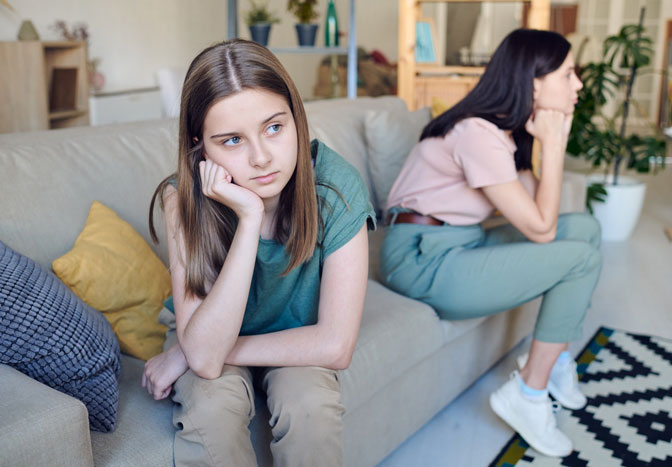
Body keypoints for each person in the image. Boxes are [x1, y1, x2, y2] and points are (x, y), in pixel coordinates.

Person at [141, 39, 375, 467]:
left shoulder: (336, 188)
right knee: (212, 410)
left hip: (290, 337)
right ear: (200, 147)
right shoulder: (183, 199)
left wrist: (185, 352)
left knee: (312, 410)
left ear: (296, 119)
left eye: (274, 127)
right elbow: (208, 360)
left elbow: (336, 344)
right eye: (232, 140)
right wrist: (248, 219)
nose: (262, 158)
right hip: (210, 330)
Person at [379, 29, 601, 458]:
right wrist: (554, 144)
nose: (578, 85)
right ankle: (529, 394)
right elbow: (542, 229)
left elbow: (539, 210)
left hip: (462, 243)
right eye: (569, 74)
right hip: (421, 259)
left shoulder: (500, 131)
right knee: (579, 258)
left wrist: (540, 142)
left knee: (586, 230)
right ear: (534, 81)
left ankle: (553, 363)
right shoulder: (475, 133)